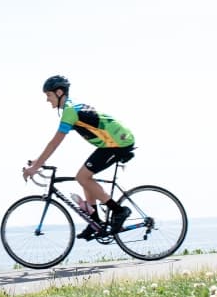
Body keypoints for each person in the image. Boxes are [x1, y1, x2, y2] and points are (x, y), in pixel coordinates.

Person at [22, 76, 135, 240]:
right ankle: (95, 220)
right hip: (110, 143)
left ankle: (119, 211)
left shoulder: (70, 112)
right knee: (84, 177)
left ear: (59, 92)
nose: (47, 100)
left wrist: (36, 166)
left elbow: (55, 143)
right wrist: (39, 162)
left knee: (82, 177)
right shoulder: (71, 108)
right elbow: (54, 145)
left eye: (49, 95)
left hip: (119, 142)